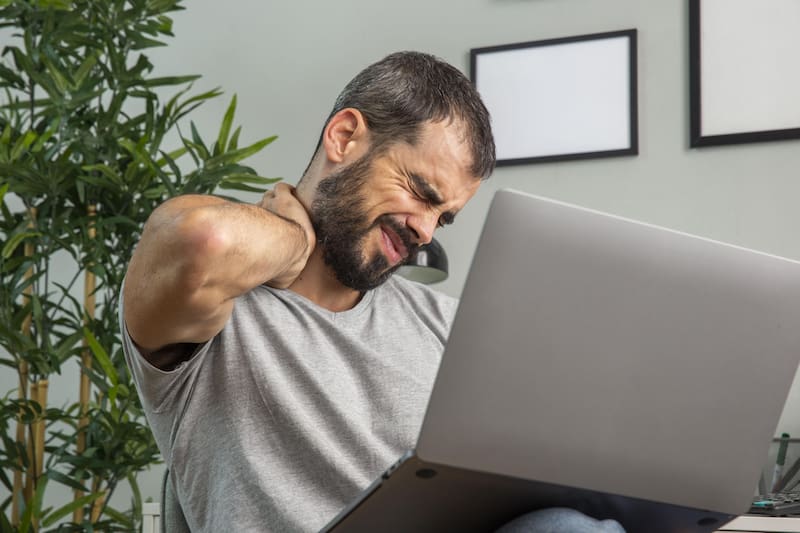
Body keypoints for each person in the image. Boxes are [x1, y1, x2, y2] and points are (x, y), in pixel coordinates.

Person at [121, 51, 624, 532]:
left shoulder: (445, 325)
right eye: (421, 193)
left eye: (442, 218)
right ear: (344, 137)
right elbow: (202, 241)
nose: (426, 231)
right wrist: (296, 239)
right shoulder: (217, 312)